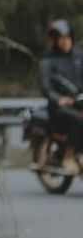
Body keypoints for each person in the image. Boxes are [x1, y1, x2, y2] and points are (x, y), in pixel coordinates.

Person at [38, 18, 83, 175]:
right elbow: (45, 87)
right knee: (79, 119)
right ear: (54, 40)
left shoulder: (79, 56)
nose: (65, 42)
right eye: (61, 39)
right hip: (58, 108)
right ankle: (68, 156)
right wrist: (59, 99)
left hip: (79, 102)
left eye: (67, 38)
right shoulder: (47, 60)